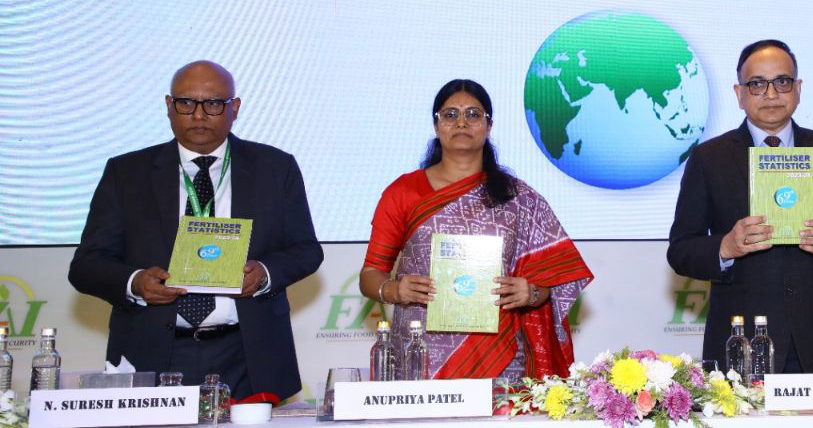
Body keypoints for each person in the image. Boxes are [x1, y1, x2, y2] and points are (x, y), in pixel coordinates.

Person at [69, 61, 323, 399]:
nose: (199, 115)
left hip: (248, 354)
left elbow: (306, 249)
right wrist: (135, 282)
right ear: (168, 107)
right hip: (153, 353)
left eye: (214, 104)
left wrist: (264, 274)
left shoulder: (275, 167)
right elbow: (86, 265)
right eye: (186, 103)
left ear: (235, 108)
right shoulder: (126, 173)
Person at [360, 79, 592, 381]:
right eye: (450, 114)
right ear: (436, 125)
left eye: (473, 114)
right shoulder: (403, 192)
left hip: (501, 357)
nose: (461, 122)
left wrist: (532, 292)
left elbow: (555, 283)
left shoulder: (519, 198)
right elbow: (370, 275)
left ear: (488, 125)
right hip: (421, 354)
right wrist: (394, 289)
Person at [667, 39, 813, 373]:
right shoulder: (710, 158)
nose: (771, 93)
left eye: (782, 82)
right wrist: (725, 246)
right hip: (740, 341)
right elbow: (680, 250)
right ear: (739, 94)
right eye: (757, 84)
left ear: (798, 88)